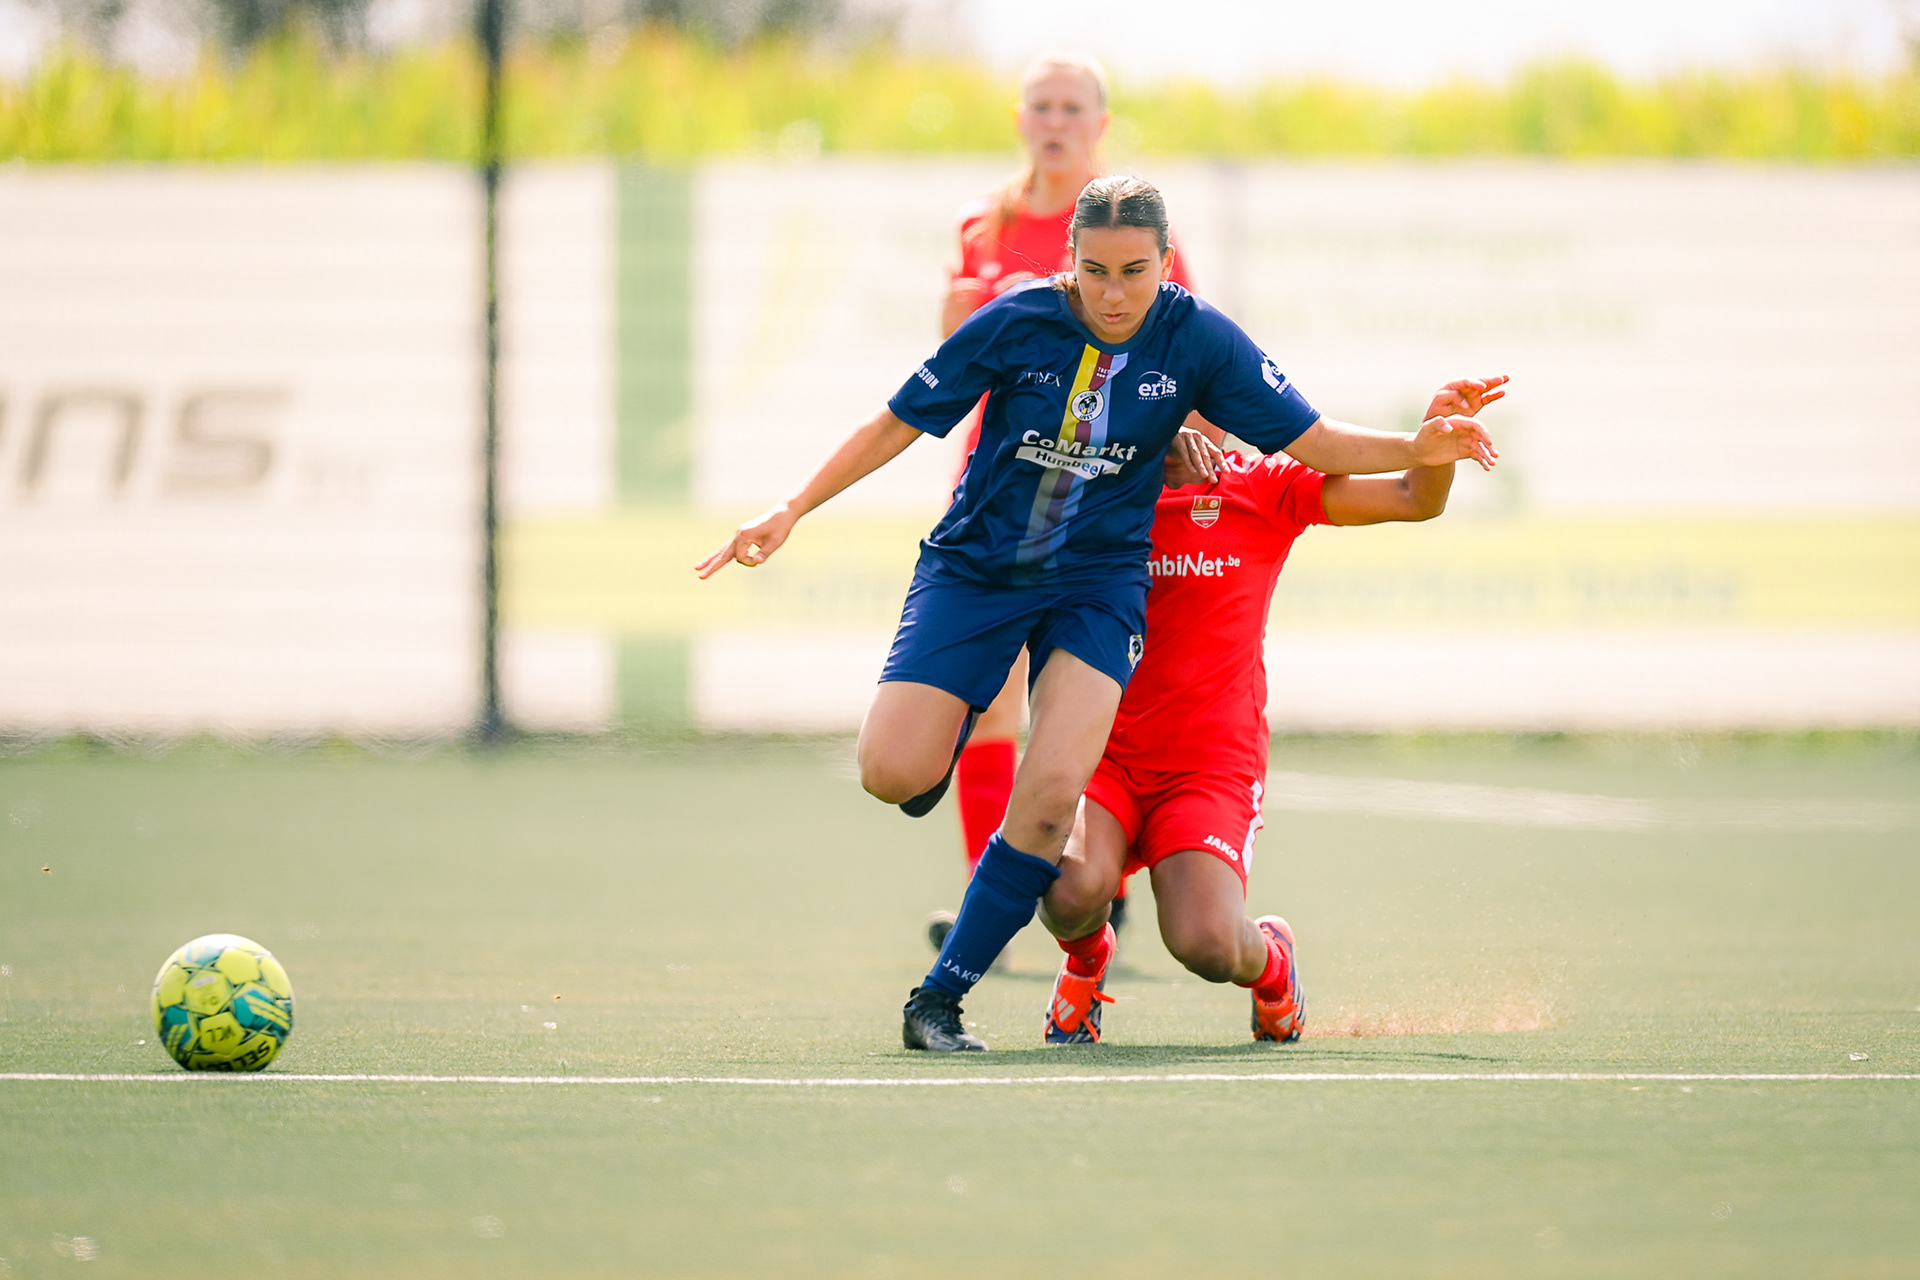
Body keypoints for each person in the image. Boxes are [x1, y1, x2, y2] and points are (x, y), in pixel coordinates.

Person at [696, 175, 1496, 1053]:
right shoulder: (1017, 321)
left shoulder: (1202, 345)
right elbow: (897, 422)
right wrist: (792, 507)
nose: (1115, 294)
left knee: (1048, 807)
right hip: (978, 568)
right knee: (891, 772)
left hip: (1095, 586)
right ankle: (940, 744)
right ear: (1070, 260)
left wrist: (1420, 444)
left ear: (1166, 263)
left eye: (1135, 272)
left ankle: (939, 1002)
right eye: (1096, 271)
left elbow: (1318, 440)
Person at [1036, 377, 1509, 1046]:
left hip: (1207, 769)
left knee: (1207, 945)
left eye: (1200, 389)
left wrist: (1433, 446)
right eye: (1159, 391)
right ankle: (1086, 967)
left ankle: (1274, 963)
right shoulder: (1100, 488)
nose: (1183, 409)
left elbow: (1412, 498)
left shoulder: (1265, 486)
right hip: (1104, 754)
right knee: (1066, 892)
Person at [928, 55, 1192, 956]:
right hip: (1003, 487)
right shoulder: (984, 224)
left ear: (1100, 125)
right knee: (990, 702)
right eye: (1040, 105)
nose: (1054, 121)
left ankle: (1091, 877)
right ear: (1020, 119)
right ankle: (987, 905)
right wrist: (954, 325)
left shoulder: (1136, 227)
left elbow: (1182, 354)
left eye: (1072, 107)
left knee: (1083, 707)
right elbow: (960, 365)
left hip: (1104, 493)